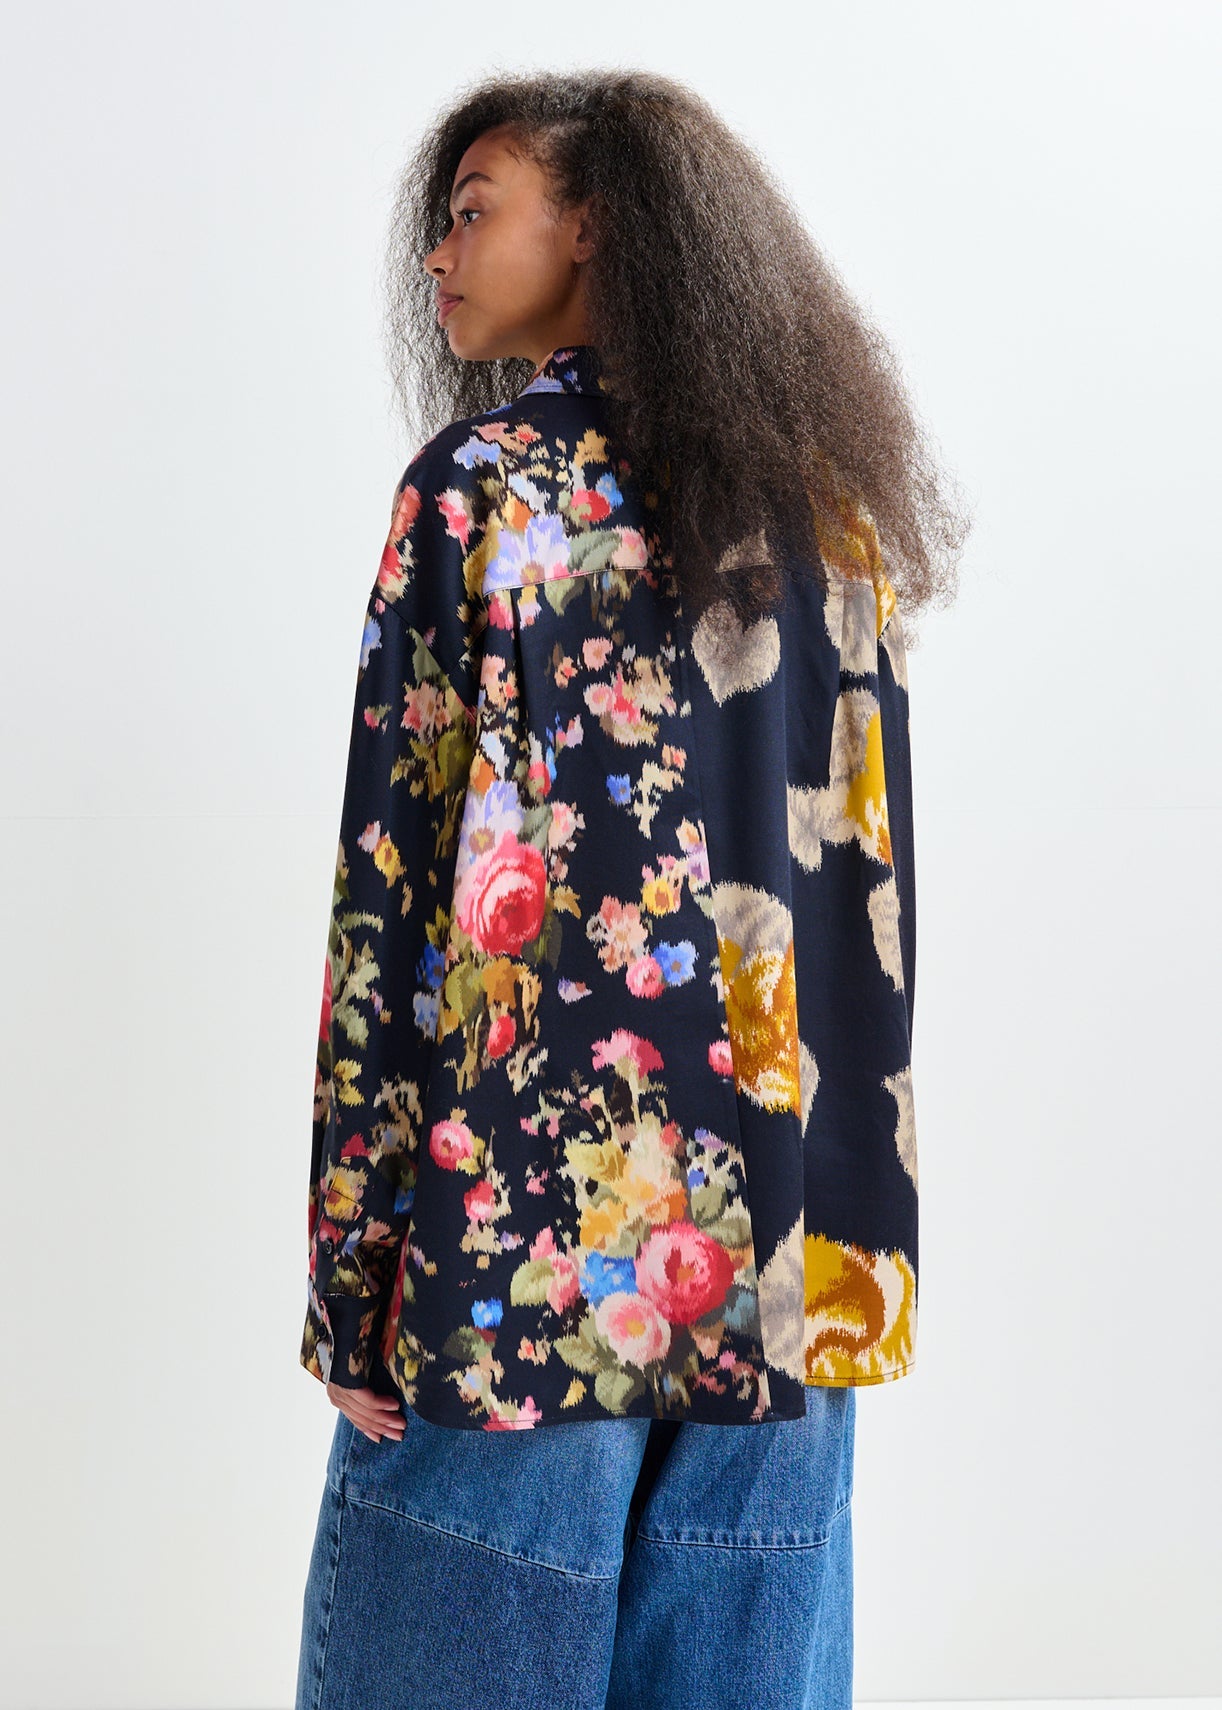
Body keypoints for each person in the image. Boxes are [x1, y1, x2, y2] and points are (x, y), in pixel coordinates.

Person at [294, 68, 969, 1710]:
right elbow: (866, 914)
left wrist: (350, 1274)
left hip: (519, 1259)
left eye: (473, 210)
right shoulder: (827, 522)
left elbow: (392, 904)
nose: (437, 254)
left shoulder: (479, 490)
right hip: (790, 1277)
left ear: (593, 225)